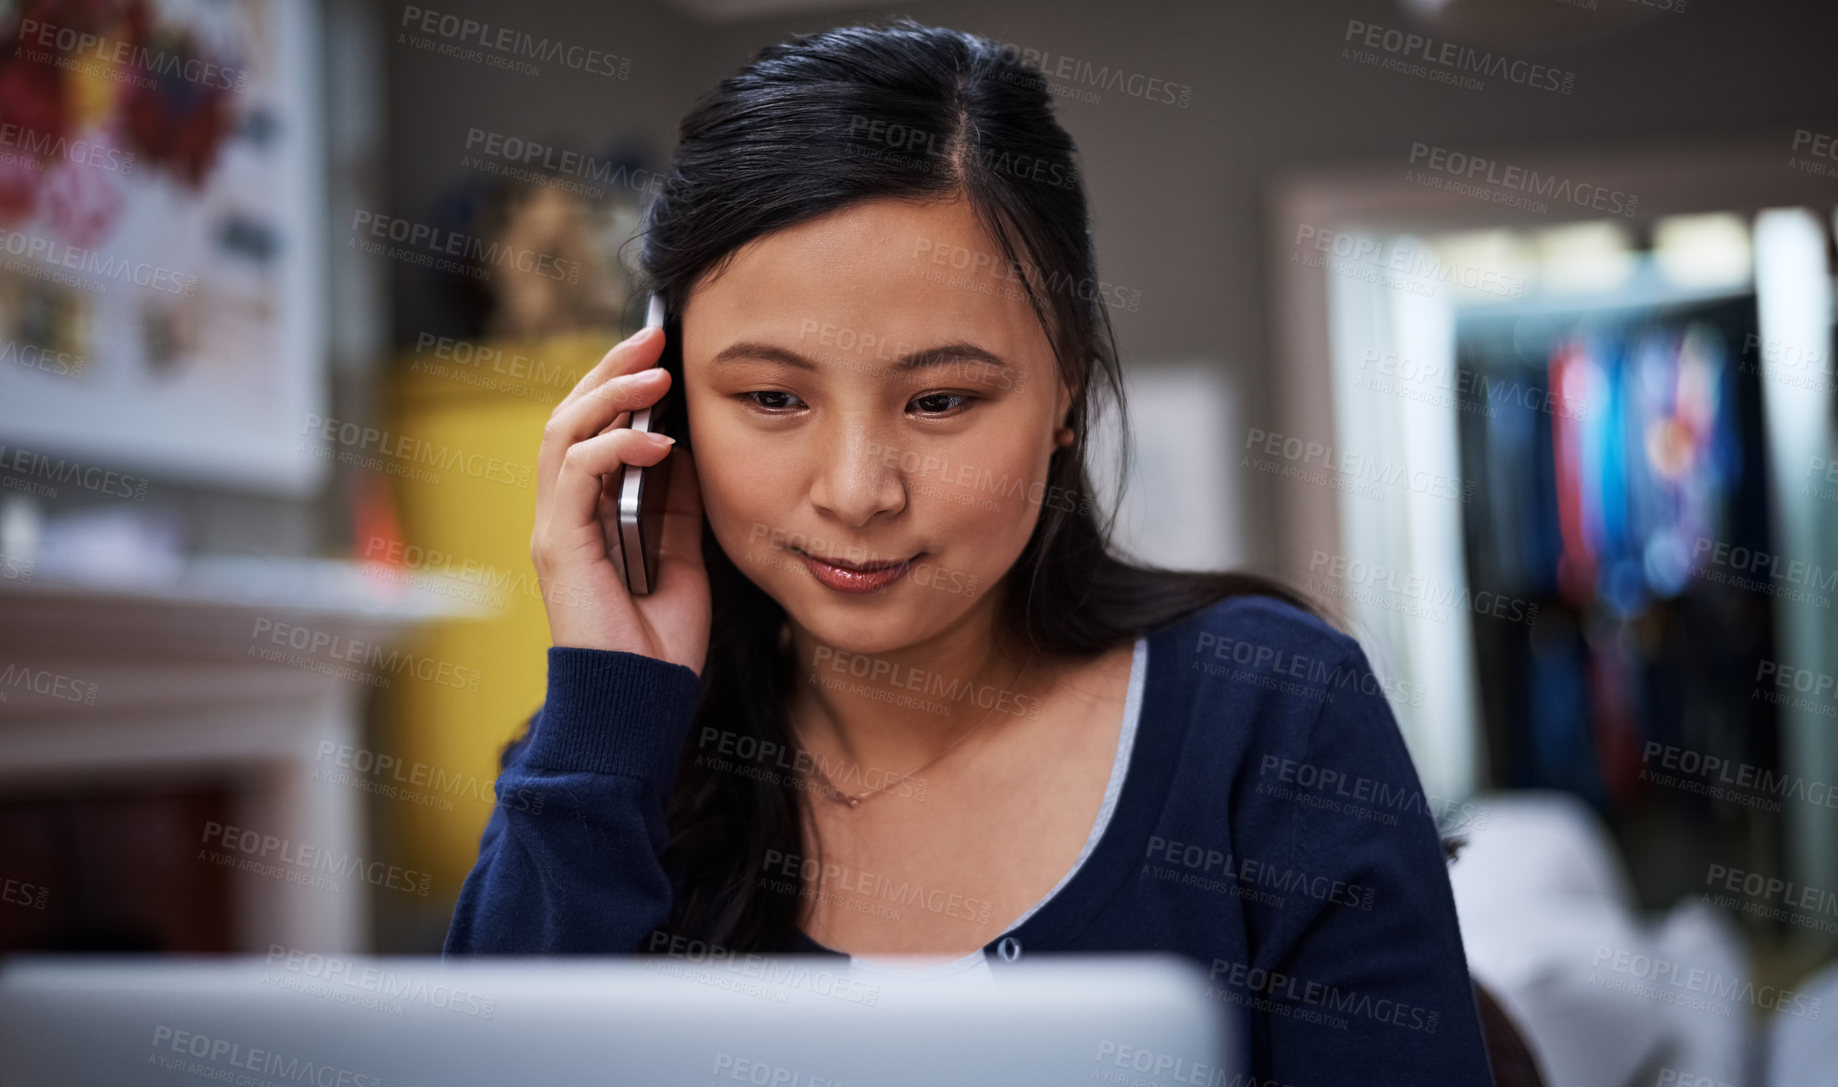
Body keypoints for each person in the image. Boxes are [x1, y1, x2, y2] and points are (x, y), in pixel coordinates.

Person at [444, 18, 1496, 1083]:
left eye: (941, 399)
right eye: (769, 397)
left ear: (1065, 393)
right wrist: (606, 705)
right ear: (658, 402)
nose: (857, 491)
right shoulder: (605, 759)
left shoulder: (1272, 709)